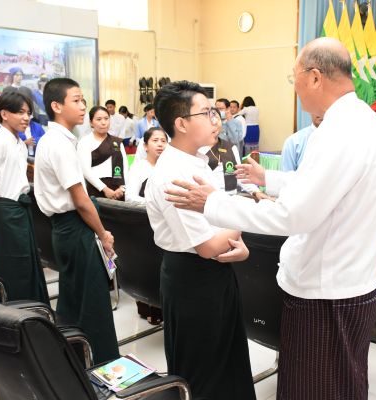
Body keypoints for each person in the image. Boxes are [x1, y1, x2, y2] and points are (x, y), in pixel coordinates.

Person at [165, 37, 376, 400]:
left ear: (315, 77)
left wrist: (213, 204)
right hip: (345, 278)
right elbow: (322, 186)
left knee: (317, 388)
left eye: (294, 77)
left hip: (328, 288)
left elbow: (293, 214)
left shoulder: (341, 131)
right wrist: (267, 179)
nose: (295, 88)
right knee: (338, 382)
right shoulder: (357, 121)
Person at [145, 80, 256, 400]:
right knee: (205, 372)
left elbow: (220, 220)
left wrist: (235, 241)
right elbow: (208, 246)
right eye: (206, 113)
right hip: (194, 281)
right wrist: (244, 216)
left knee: (229, 363)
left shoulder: (200, 159)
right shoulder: (173, 174)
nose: (214, 119)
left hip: (213, 273)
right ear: (181, 124)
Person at [34, 78, 119, 364]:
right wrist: (103, 233)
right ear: (56, 106)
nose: (83, 106)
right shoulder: (59, 144)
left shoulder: (53, 140)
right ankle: (101, 365)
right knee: (93, 301)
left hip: (64, 228)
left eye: (83, 100)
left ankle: (71, 360)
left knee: (73, 298)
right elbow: (81, 200)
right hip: (74, 227)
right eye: (76, 100)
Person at [0, 90, 49, 304]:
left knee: (27, 262)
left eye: (28, 113)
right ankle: (13, 313)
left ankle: (32, 309)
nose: (26, 118)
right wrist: (0, 205)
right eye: (20, 113)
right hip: (5, 209)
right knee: (13, 265)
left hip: (19, 208)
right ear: (4, 114)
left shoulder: (18, 141)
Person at [77, 105, 128, 200]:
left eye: (106, 119)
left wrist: (122, 188)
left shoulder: (117, 142)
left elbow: (125, 167)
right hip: (96, 189)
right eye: (99, 119)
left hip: (118, 190)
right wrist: (104, 189)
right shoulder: (85, 142)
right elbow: (85, 170)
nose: (103, 122)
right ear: (91, 123)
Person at [125, 127, 167, 204]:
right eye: (155, 140)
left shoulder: (170, 168)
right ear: (145, 146)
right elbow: (130, 197)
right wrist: (155, 204)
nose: (160, 144)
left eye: (163, 141)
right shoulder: (138, 168)